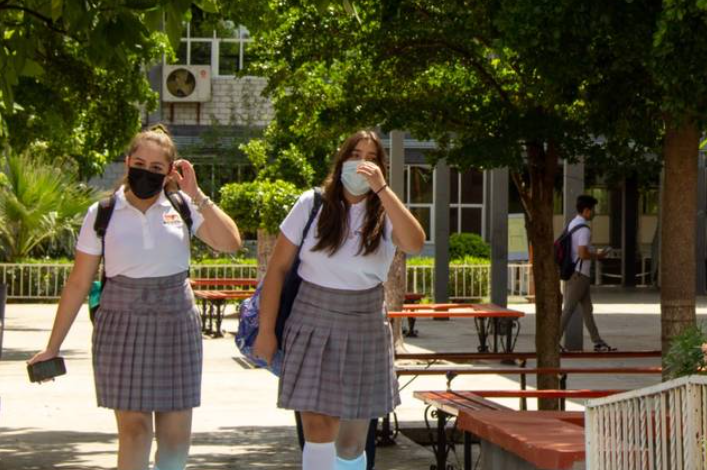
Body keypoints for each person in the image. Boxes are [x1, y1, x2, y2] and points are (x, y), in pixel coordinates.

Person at [28, 125, 241, 470]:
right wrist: (53, 346)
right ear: (127, 163)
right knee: (135, 432)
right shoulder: (103, 213)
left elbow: (230, 242)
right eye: (140, 162)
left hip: (176, 322)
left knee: (175, 441)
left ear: (170, 172)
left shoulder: (183, 205)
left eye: (157, 168)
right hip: (121, 324)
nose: (147, 171)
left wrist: (198, 194)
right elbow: (79, 282)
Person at [253, 130, 425, 470]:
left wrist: (383, 191)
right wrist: (266, 330)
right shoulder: (311, 204)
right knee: (318, 426)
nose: (362, 163)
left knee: (349, 444)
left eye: (371, 158)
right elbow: (276, 270)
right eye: (355, 154)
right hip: (311, 318)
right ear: (341, 160)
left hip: (364, 322)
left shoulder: (385, 211)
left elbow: (416, 242)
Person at [560, 194, 616, 352]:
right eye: (593, 210)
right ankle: (553, 341)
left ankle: (597, 341)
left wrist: (593, 251)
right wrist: (598, 255)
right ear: (586, 210)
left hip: (578, 274)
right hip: (579, 275)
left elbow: (580, 250)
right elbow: (582, 253)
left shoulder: (573, 223)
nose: (594, 213)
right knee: (569, 309)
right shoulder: (584, 229)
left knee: (587, 309)